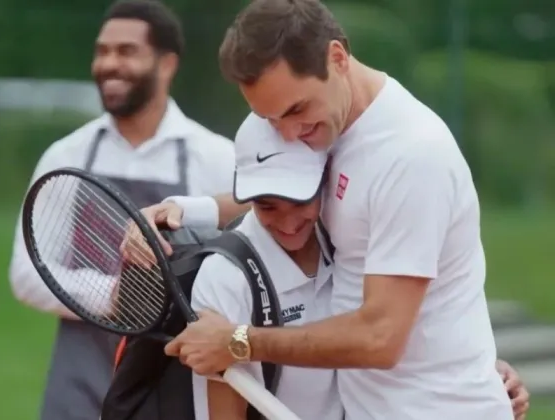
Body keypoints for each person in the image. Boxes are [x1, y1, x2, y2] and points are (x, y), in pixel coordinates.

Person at [125, 1, 530, 419]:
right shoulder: (328, 123)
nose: (287, 133)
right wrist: (180, 211)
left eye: (296, 110)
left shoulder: (410, 157)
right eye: (270, 118)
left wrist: (238, 341)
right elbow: (284, 191)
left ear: (337, 58)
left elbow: (380, 337)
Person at [8, 1, 238, 419]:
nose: (108, 63)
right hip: (76, 382)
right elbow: (26, 274)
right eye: (102, 51)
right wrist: (114, 297)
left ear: (166, 64)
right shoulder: (67, 155)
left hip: (168, 382)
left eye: (126, 51)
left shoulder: (217, 159)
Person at [190, 122, 342, 420]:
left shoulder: (348, 241)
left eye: (300, 202)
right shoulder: (223, 279)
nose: (288, 224)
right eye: (267, 206)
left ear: (325, 180)